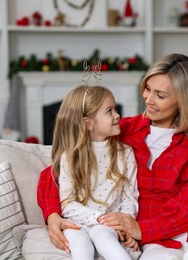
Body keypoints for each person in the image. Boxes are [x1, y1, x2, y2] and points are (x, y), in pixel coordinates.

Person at [38, 53, 188, 259]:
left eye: (160, 95)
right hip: (158, 241)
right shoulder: (123, 131)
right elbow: (58, 171)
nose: (149, 100)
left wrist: (142, 228)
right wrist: (53, 215)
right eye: (147, 89)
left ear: (184, 100)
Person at [48, 85, 140, 260]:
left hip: (107, 225)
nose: (117, 115)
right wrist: (99, 218)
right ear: (88, 123)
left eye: (116, 109)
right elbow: (67, 204)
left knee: (104, 238)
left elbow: (130, 197)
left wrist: (123, 222)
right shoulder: (69, 157)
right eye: (109, 111)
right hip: (76, 223)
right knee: (81, 244)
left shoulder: (125, 153)